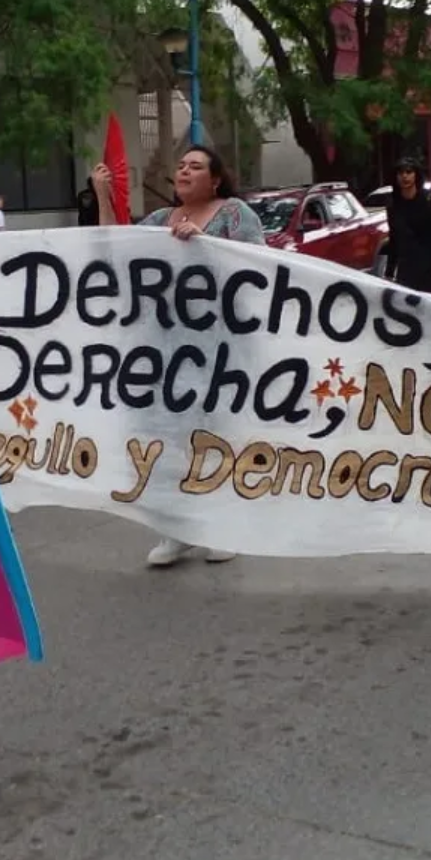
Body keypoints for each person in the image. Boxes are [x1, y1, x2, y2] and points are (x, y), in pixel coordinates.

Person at [91, 145, 261, 567]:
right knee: (165, 438)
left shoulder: (235, 215)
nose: (184, 170)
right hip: (162, 352)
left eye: (195, 166)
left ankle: (224, 527)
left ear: (215, 178)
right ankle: (177, 529)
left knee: (214, 436)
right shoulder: (156, 223)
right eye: (181, 165)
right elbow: (112, 253)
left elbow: (262, 267)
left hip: (220, 349)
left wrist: (206, 246)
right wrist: (102, 197)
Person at [383, 159, 431, 292]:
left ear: (416, 175)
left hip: (429, 268)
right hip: (406, 269)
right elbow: (394, 239)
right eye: (401, 173)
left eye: (409, 172)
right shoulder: (393, 205)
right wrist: (389, 272)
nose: (405, 176)